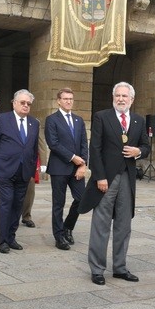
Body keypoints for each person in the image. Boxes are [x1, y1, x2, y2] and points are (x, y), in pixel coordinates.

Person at [79, 82, 151, 285]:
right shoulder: (102, 117)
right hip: (106, 179)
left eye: (124, 96)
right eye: (117, 95)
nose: (121, 99)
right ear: (113, 98)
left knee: (123, 224)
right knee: (101, 224)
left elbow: (146, 146)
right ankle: (97, 269)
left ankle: (120, 267)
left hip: (127, 179)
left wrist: (138, 152)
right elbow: (95, 149)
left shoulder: (138, 120)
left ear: (131, 100)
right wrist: (99, 177)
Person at [0, 89, 39, 254]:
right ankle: (3, 240)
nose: (25, 106)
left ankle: (11, 236)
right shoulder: (2, 119)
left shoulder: (34, 123)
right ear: (14, 103)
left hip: (24, 172)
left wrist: (33, 170)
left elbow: (34, 148)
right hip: (5, 170)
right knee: (6, 202)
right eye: (22, 102)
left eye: (28, 104)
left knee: (18, 205)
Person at [45, 88, 88, 250]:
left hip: (77, 168)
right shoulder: (52, 120)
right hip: (59, 168)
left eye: (71, 98)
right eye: (65, 99)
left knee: (81, 199)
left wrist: (83, 164)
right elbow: (53, 144)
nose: (69, 101)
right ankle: (59, 236)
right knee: (58, 203)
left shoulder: (78, 120)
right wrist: (73, 158)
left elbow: (84, 143)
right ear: (58, 101)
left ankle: (68, 227)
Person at [20, 133, 47, 228]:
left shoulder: (34, 123)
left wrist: (43, 162)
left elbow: (40, 144)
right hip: (11, 161)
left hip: (30, 162)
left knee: (29, 191)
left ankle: (26, 216)